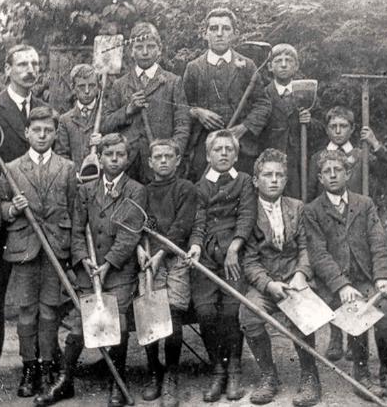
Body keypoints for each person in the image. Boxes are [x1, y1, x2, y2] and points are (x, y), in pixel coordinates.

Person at [305, 150, 387, 402]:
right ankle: (361, 374)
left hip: (366, 278)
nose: (332, 176)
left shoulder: (364, 204)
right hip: (335, 284)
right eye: (326, 172)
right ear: (319, 177)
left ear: (348, 173)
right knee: (357, 312)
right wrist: (341, 285)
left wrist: (382, 275)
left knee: (382, 312)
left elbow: (377, 242)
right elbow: (318, 254)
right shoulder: (312, 210)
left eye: (337, 170)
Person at [55, 133, 146, 407]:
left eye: (120, 154)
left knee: (116, 318)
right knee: (82, 323)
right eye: (109, 155)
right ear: (101, 158)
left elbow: (130, 235)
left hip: (119, 271)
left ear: (127, 158)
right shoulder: (86, 191)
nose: (114, 159)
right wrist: (83, 259)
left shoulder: (135, 190)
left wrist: (108, 264)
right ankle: (64, 380)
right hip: (89, 269)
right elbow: (77, 231)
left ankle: (116, 383)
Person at [0, 44, 46, 366]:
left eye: (35, 64)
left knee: (42, 290)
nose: (30, 70)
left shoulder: (44, 109)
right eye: (22, 64)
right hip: (2, 211)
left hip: (38, 211)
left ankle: (43, 360)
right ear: (7, 69)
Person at [307, 105, 387, 361]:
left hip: (357, 220)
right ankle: (336, 337)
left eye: (343, 126)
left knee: (357, 279)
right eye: (333, 126)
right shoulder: (318, 157)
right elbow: (311, 192)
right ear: (327, 129)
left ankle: (353, 341)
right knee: (335, 281)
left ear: (352, 129)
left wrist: (375, 144)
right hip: (328, 224)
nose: (338, 131)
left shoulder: (362, 154)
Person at [0, 107, 76, 398]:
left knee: (49, 310)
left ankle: (47, 368)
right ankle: (29, 367)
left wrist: (71, 248)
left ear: (55, 134)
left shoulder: (67, 168)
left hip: (56, 248)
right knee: (27, 311)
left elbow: (73, 209)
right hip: (24, 249)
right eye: (37, 130)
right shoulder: (12, 168)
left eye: (48, 131)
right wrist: (12, 209)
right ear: (26, 133)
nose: (42, 136)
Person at [239, 148, 321, 406]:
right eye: (267, 175)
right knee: (248, 314)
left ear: (286, 180)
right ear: (256, 180)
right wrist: (268, 284)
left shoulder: (297, 207)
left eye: (279, 175)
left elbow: (307, 248)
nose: (274, 180)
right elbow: (249, 260)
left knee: (303, 314)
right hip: (266, 282)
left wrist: (301, 274)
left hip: (294, 277)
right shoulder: (248, 212)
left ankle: (310, 376)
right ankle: (268, 375)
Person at [187, 129, 256, 402]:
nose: (224, 153)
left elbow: (247, 216)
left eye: (229, 149)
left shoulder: (245, 182)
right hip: (206, 256)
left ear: (236, 154)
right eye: (218, 149)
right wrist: (194, 246)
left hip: (234, 255)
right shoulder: (199, 187)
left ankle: (235, 369)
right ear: (208, 155)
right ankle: (218, 369)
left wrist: (234, 248)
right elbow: (198, 222)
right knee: (204, 312)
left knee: (231, 311)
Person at [136, 139, 197, 407]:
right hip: (151, 257)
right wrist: (141, 247)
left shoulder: (185, 188)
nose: (163, 161)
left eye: (168, 156)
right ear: (150, 162)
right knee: (150, 310)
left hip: (176, 257)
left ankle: (171, 374)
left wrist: (162, 253)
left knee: (172, 314)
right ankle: (154, 370)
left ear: (177, 159)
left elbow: (181, 227)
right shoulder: (144, 191)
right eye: (157, 157)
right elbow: (140, 224)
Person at [183, 7, 271, 180]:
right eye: (214, 28)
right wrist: (198, 112)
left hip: (241, 148)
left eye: (226, 28)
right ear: (205, 33)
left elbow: (263, 103)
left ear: (235, 33)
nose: (220, 34)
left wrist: (244, 127)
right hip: (205, 148)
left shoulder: (247, 65)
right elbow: (182, 105)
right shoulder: (193, 68)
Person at [103, 22, 190, 183]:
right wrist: (128, 110)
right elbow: (106, 125)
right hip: (127, 163)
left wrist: (172, 154)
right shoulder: (120, 84)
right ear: (131, 51)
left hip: (159, 163)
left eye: (150, 46)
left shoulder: (172, 82)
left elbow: (182, 124)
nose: (145, 52)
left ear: (159, 49)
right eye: (139, 47)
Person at [259, 44, 312, 198]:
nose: (283, 64)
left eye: (288, 60)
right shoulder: (262, 95)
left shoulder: (306, 93)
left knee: (298, 199)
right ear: (269, 66)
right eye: (278, 60)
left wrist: (309, 121)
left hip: (299, 159)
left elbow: (322, 128)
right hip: (271, 157)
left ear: (296, 66)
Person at [54, 63, 102, 173]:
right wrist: (72, 174)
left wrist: (102, 142)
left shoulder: (105, 115)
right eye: (81, 86)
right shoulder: (65, 120)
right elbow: (61, 154)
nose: (87, 91)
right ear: (73, 88)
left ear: (98, 87)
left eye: (92, 85)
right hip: (76, 179)